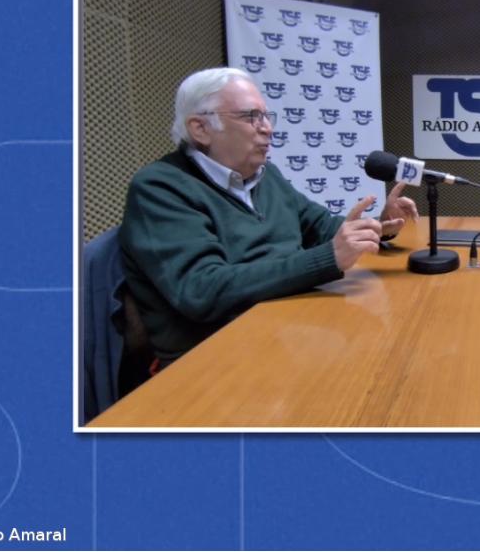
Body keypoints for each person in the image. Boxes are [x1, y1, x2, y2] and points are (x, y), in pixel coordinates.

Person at [119, 67, 418, 366]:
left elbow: (323, 227)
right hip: (215, 358)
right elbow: (202, 291)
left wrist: (378, 225)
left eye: (266, 116)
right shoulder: (160, 188)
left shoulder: (266, 176)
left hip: (288, 328)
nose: (267, 128)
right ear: (201, 128)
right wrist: (328, 259)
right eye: (251, 117)